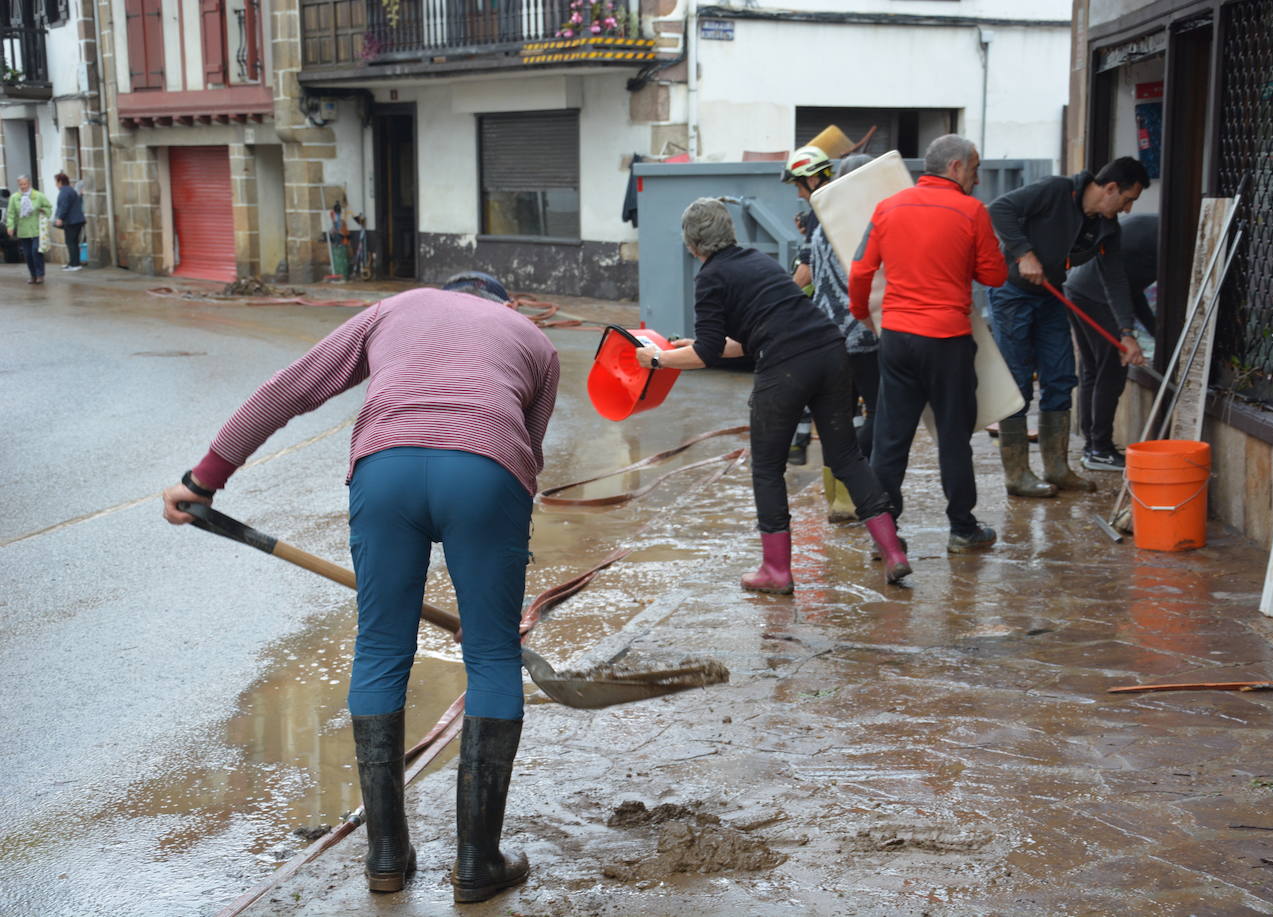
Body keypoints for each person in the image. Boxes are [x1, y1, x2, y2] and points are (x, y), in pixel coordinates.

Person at [161, 282, 559, 903]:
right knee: (492, 655)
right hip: (487, 471)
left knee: (379, 648)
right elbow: (527, 457)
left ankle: (385, 857)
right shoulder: (534, 340)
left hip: (386, 471)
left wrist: (204, 479)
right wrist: (489, 596)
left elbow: (289, 388)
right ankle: (478, 862)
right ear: (503, 305)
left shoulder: (395, 309)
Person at [634, 198, 911, 593]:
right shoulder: (756, 261)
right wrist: (691, 346)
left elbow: (706, 354)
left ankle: (776, 571)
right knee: (847, 457)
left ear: (691, 245)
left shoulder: (710, 276)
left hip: (786, 366)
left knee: (766, 467)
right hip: (830, 351)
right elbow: (742, 342)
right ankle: (894, 553)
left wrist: (658, 359)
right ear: (729, 232)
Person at [849, 135, 1008, 553]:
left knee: (890, 439)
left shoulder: (887, 208)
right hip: (948, 342)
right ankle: (962, 528)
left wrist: (860, 313)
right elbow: (994, 277)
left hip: (898, 340)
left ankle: (885, 534)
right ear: (955, 167)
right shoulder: (972, 212)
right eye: (974, 170)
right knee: (953, 437)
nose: (976, 180)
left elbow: (861, 269)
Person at [986, 156, 1150, 497]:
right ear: (1110, 188)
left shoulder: (1106, 228)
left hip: (1050, 296)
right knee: (1018, 381)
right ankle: (1018, 475)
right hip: (1012, 293)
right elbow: (999, 209)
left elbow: (1116, 280)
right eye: (1127, 199)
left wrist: (1127, 334)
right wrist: (1023, 253)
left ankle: (1057, 469)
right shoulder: (1055, 190)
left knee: (1061, 377)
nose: (1129, 209)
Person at [807, 153, 881, 521]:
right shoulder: (863, 225)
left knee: (838, 417)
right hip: (863, 337)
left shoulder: (823, 224)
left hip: (826, 336)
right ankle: (858, 488)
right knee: (882, 414)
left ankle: (838, 502)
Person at [1064, 213, 1159, 470]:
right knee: (1111, 371)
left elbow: (1133, 289)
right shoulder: (1164, 236)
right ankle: (1100, 449)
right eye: (1128, 199)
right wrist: (1126, 332)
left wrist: (1154, 331)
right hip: (1096, 296)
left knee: (1092, 370)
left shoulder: (1152, 228)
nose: (1129, 208)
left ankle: (1092, 445)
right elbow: (1119, 287)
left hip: (1078, 289)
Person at [781, 144, 835, 465]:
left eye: (799, 186)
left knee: (795, 370)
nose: (800, 194)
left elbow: (806, 271)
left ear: (812, 181)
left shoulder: (821, 209)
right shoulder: (835, 205)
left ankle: (797, 444)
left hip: (823, 314)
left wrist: (781, 300)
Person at [5, 175, 53, 284]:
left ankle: (40, 274)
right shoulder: (14, 197)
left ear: (29, 184)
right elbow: (11, 214)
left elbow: (48, 207)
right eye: (21, 184)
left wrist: (43, 210)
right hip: (23, 229)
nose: (23, 186)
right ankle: (33, 275)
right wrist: (10, 226)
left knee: (35, 251)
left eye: (25, 184)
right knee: (28, 254)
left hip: (37, 229)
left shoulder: (38, 196)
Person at [52, 172, 85, 271]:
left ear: (60, 182)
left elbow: (64, 206)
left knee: (71, 242)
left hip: (72, 221)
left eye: (56, 182)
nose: (55, 184)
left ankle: (75, 264)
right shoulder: (70, 190)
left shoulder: (65, 191)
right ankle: (73, 263)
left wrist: (60, 218)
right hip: (76, 220)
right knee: (72, 242)